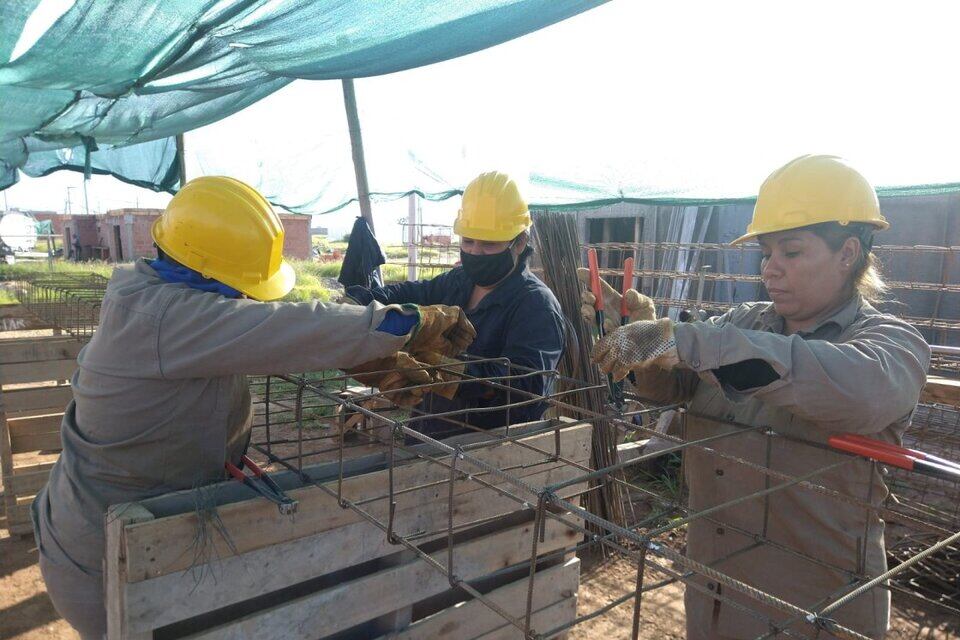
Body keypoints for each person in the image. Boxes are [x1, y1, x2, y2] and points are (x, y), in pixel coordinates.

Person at [31, 176, 475, 639]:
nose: (245, 299)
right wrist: (404, 323)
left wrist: (361, 354)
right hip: (107, 563)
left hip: (127, 531)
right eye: (240, 287)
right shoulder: (162, 317)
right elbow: (281, 326)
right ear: (207, 270)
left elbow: (253, 341)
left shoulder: (154, 295)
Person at [588, 155, 930, 639]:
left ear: (848, 252)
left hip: (815, 606)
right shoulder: (743, 324)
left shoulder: (892, 344)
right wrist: (641, 342)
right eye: (766, 254)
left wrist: (680, 340)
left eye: (791, 252)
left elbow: (859, 393)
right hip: (713, 590)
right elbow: (674, 389)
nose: (770, 270)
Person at [344, 171, 566, 438]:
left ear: (519, 242)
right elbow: (411, 292)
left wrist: (451, 375)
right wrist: (359, 300)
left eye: (489, 244)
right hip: (428, 433)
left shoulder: (536, 306)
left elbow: (525, 385)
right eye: (468, 241)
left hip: (491, 446)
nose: (475, 252)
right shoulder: (459, 281)